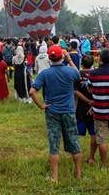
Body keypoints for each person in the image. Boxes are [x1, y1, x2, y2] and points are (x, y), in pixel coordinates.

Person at [29, 45, 82, 182]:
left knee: (54, 145)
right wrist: (69, 59)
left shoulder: (45, 74)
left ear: (49, 58)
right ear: (62, 57)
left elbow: (32, 91)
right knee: (74, 142)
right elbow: (78, 75)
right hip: (69, 111)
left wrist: (41, 105)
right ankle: (78, 174)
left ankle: (54, 177)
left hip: (52, 111)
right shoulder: (70, 71)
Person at [88, 49, 109, 170]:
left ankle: (104, 165)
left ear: (100, 59)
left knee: (102, 140)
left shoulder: (93, 74)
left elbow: (90, 89)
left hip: (99, 111)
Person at [74, 55, 97, 164]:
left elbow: (76, 91)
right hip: (94, 108)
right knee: (94, 134)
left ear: (82, 64)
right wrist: (91, 102)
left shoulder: (77, 74)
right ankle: (91, 157)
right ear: (92, 64)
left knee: (77, 134)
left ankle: (77, 155)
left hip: (81, 109)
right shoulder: (96, 74)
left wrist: (86, 101)